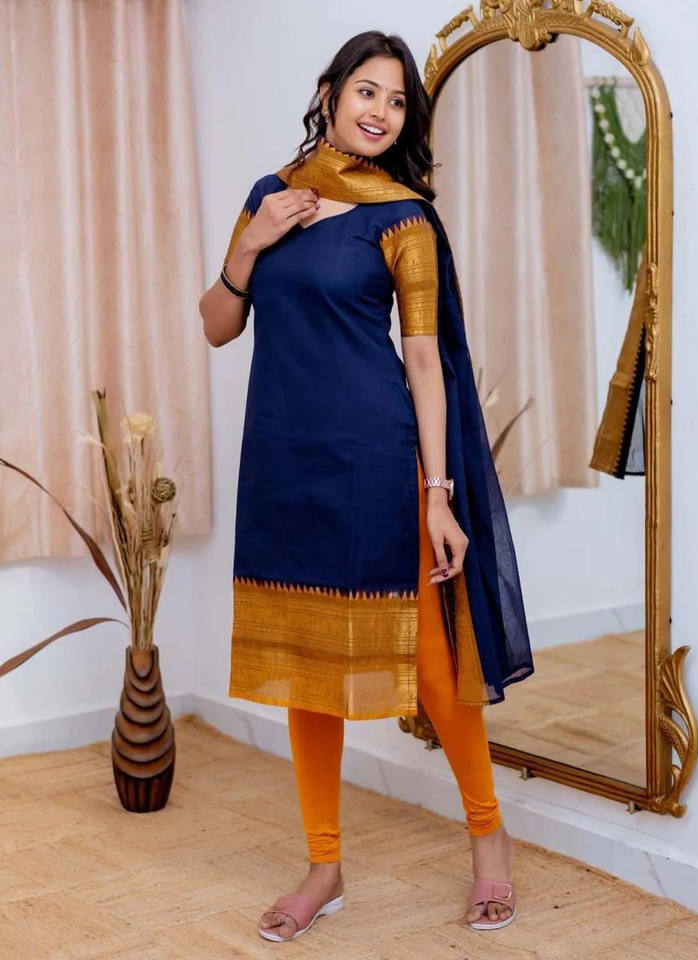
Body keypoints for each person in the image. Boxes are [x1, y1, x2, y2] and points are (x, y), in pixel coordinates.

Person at [198, 30, 534, 941]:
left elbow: (424, 361)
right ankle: (324, 865)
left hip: (374, 459)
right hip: (282, 460)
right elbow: (217, 324)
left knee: (431, 665)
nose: (380, 111)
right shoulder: (272, 197)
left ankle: (490, 840)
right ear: (330, 93)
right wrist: (251, 242)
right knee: (309, 670)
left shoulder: (403, 219)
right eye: (366, 91)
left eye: (396, 100)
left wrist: (439, 494)